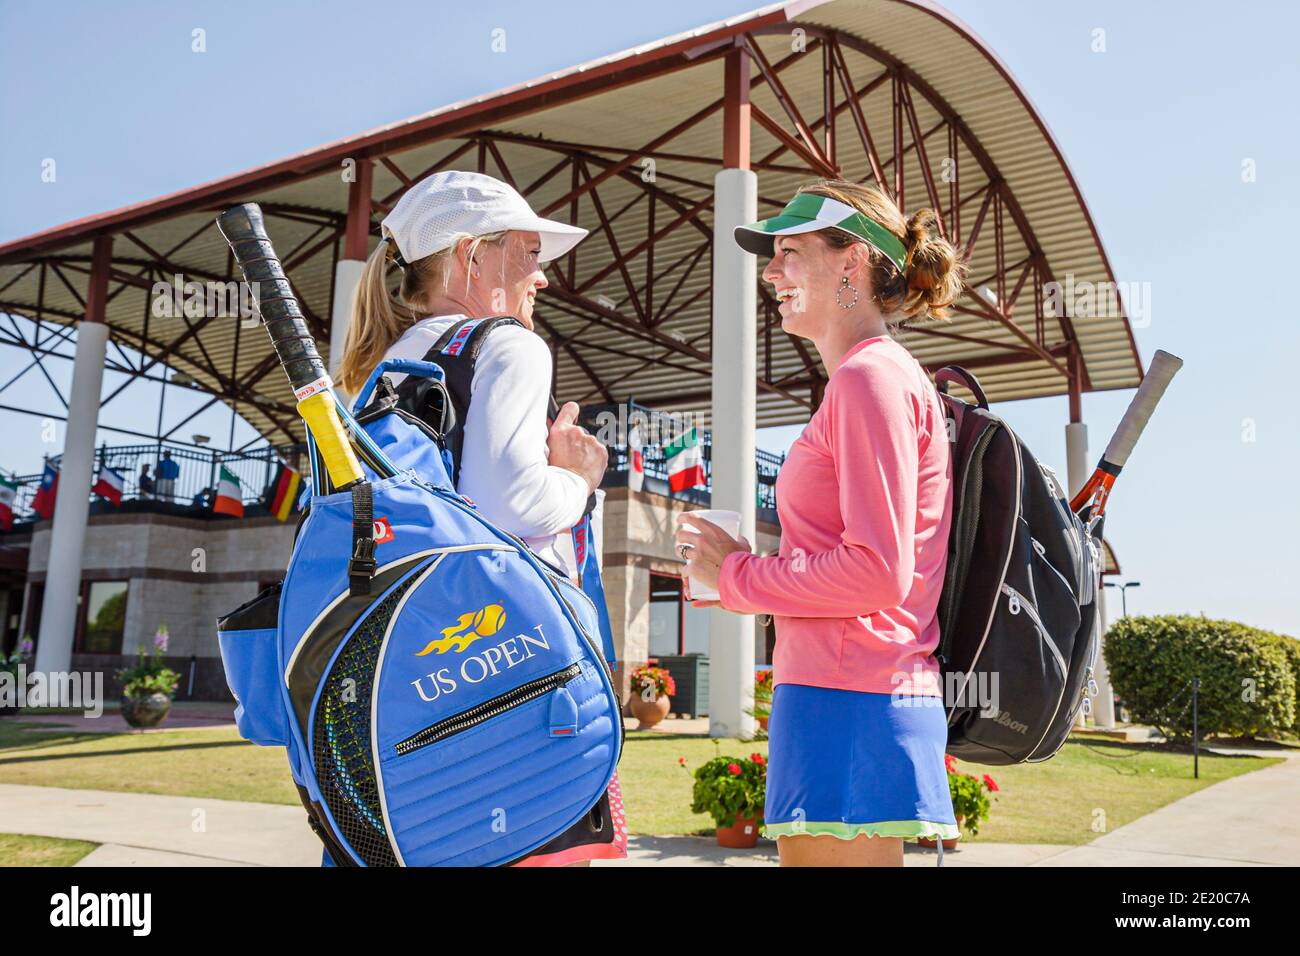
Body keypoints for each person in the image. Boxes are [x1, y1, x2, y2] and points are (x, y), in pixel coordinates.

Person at [336, 169, 626, 867]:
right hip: (514, 672)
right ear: (472, 256)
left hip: (419, 677)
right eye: (529, 252)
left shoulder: (383, 368)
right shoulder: (507, 343)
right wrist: (580, 478)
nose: (544, 277)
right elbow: (512, 505)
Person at [674, 179, 966, 868]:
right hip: (848, 692)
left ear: (850, 263)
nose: (772, 272)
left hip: (851, 696)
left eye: (790, 252)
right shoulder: (872, 378)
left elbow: (877, 571)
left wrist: (738, 576)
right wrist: (744, 575)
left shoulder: (870, 379)